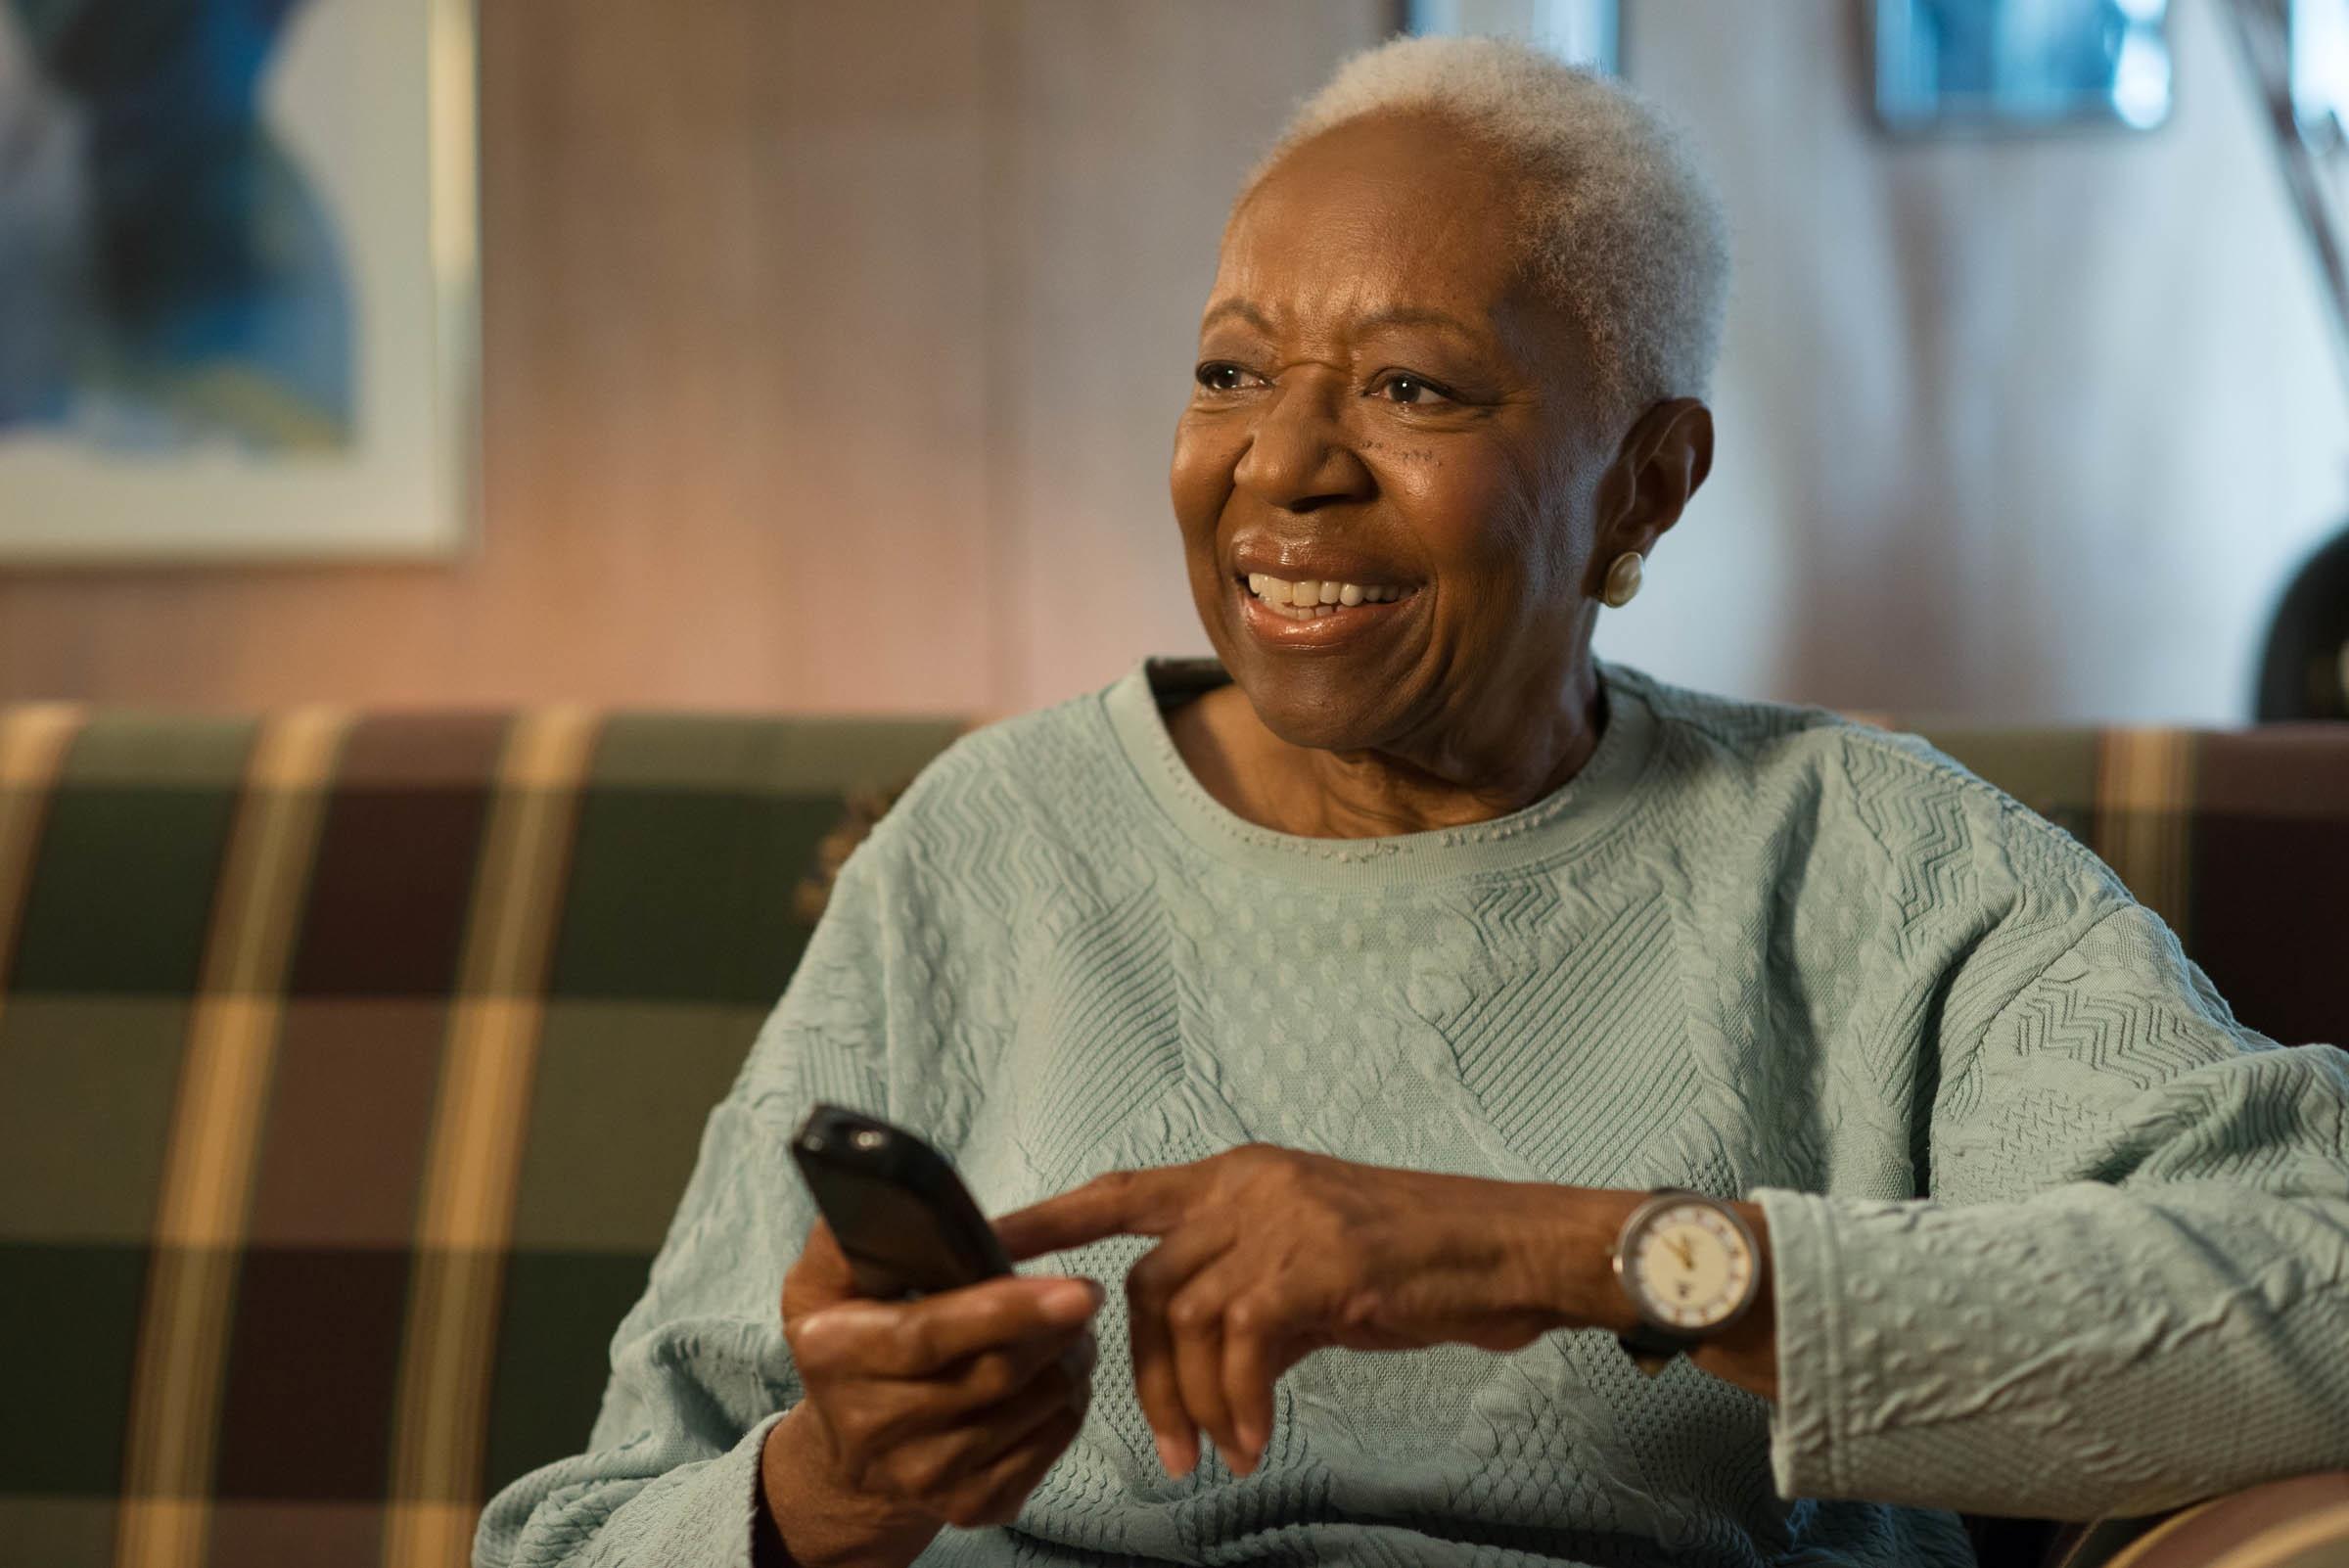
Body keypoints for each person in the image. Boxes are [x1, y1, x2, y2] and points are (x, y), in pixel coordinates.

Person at [474, 34, 2349, 1568]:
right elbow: (577, 1535)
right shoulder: (987, 846)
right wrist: (840, 1487)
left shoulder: (1871, 861)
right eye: (1231, 371)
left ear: (1647, 482)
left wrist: (1559, 1248)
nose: (1283, 463)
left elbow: (2317, 1284)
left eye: (1409, 388)